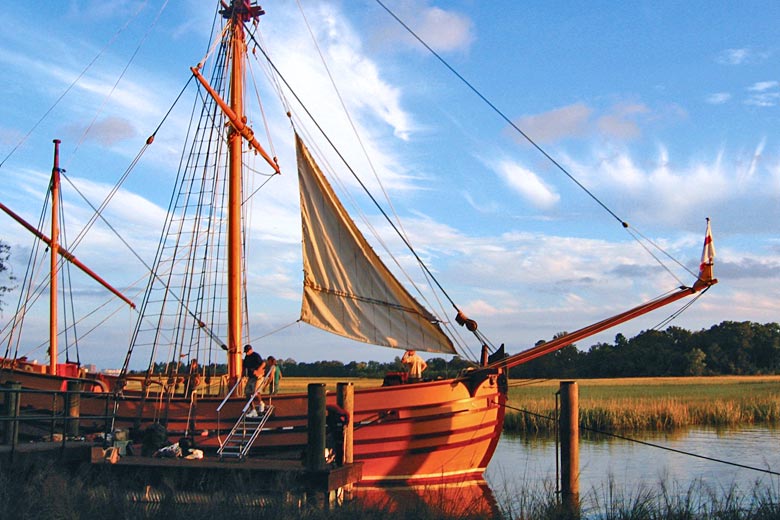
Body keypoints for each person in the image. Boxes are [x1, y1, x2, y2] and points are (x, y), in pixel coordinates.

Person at [242, 344, 266, 416]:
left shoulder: (255, 355)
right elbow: (244, 367)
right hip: (251, 377)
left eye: (247, 351)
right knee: (247, 393)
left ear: (251, 350)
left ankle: (261, 403)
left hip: (258, 376)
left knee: (256, 390)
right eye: (246, 352)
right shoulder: (246, 357)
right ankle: (253, 409)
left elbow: (263, 364)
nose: (247, 353)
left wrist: (258, 371)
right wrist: (242, 375)